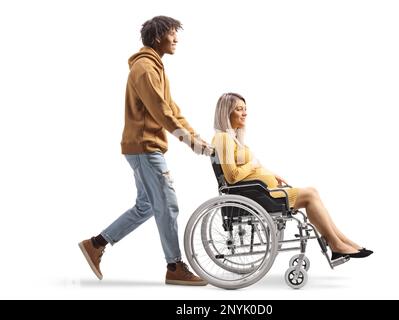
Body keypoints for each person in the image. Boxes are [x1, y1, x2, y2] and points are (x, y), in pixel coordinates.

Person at [79, 16, 212, 286]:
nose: (176, 39)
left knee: (147, 206)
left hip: (143, 147)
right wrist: (190, 142)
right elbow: (162, 112)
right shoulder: (145, 68)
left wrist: (197, 139)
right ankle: (174, 266)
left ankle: (95, 244)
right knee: (167, 203)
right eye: (172, 34)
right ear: (157, 36)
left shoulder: (156, 67)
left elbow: (172, 110)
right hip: (145, 147)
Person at [212, 93, 373, 260]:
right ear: (226, 112)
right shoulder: (223, 138)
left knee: (312, 191)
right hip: (255, 195)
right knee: (310, 195)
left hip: (260, 191)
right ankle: (337, 244)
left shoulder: (233, 138)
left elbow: (248, 167)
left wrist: (270, 173)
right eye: (239, 109)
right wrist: (253, 164)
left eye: (245, 109)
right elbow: (232, 177)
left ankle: (343, 241)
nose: (245, 113)